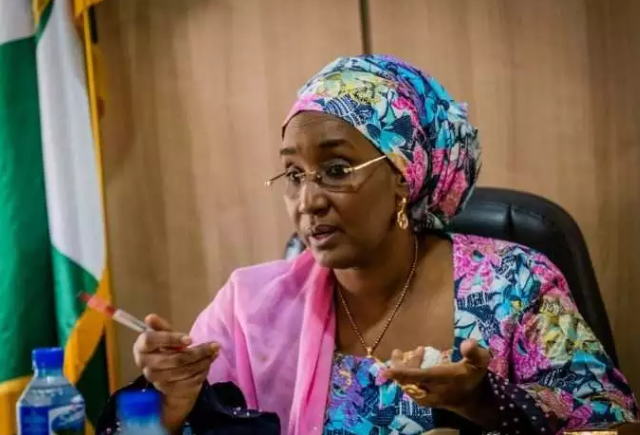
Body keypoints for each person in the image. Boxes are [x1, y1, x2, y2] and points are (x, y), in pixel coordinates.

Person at [98, 55, 638, 435]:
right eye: (293, 175)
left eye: (336, 170)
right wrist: (171, 405)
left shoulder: (514, 284)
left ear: (404, 176)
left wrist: (485, 402)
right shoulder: (251, 306)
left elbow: (613, 424)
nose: (308, 201)